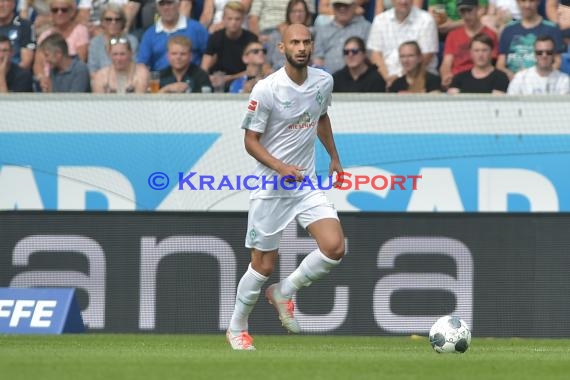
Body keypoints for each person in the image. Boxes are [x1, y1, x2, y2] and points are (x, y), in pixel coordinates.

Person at [227, 23, 345, 351]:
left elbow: (320, 117)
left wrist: (334, 157)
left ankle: (285, 291)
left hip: (305, 182)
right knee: (262, 265)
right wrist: (280, 168)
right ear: (282, 48)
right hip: (271, 186)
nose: (302, 47)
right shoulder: (266, 89)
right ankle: (237, 328)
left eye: (306, 41)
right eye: (295, 42)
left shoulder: (323, 80)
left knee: (334, 247)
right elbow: (250, 142)